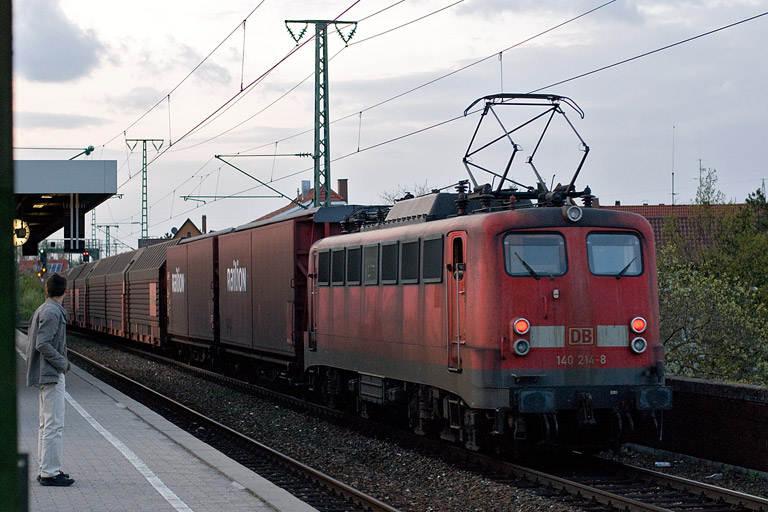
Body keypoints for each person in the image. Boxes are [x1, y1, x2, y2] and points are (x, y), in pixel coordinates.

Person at [25, 273, 75, 487]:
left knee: (46, 424)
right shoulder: (53, 312)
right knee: (54, 425)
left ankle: (46, 469)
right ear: (66, 291)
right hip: (51, 374)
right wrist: (63, 363)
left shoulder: (43, 309)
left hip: (45, 374)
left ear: (47, 290)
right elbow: (42, 344)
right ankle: (50, 473)